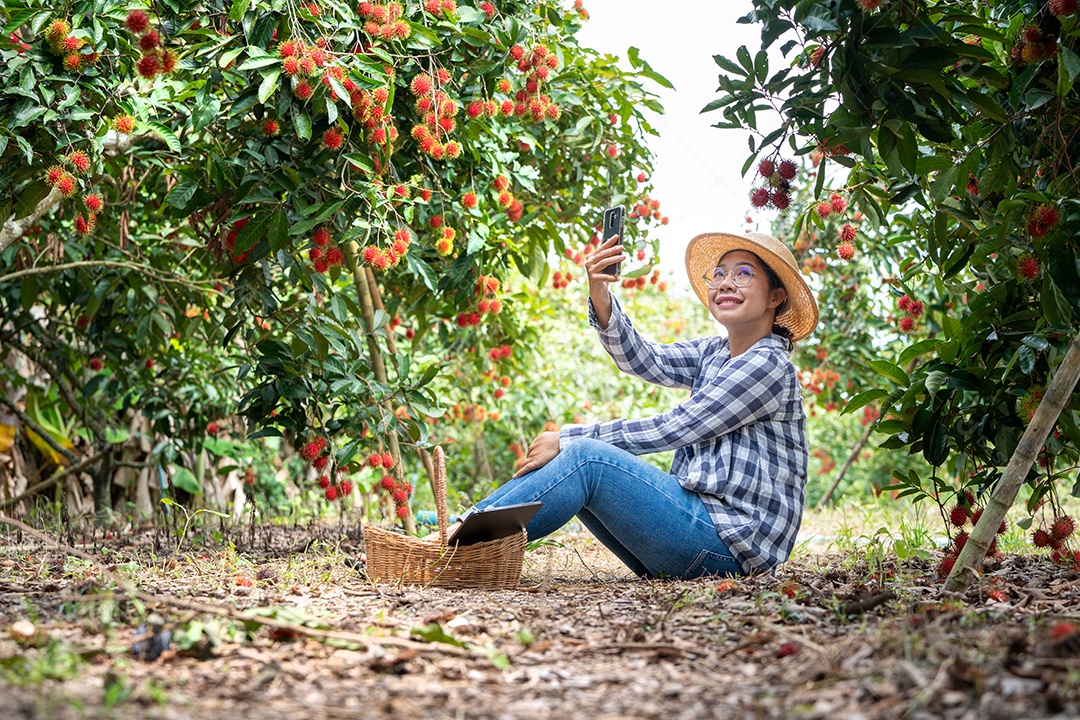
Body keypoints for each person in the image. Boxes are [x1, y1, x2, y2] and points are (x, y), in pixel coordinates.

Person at [472, 230, 819, 578]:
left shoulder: (768, 365)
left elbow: (676, 427)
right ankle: (465, 537)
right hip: (698, 532)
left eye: (743, 274)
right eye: (719, 273)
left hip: (730, 546)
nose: (726, 283)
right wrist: (601, 293)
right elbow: (645, 359)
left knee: (586, 457)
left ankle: (463, 544)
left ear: (776, 296)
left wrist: (566, 439)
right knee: (580, 457)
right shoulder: (713, 354)